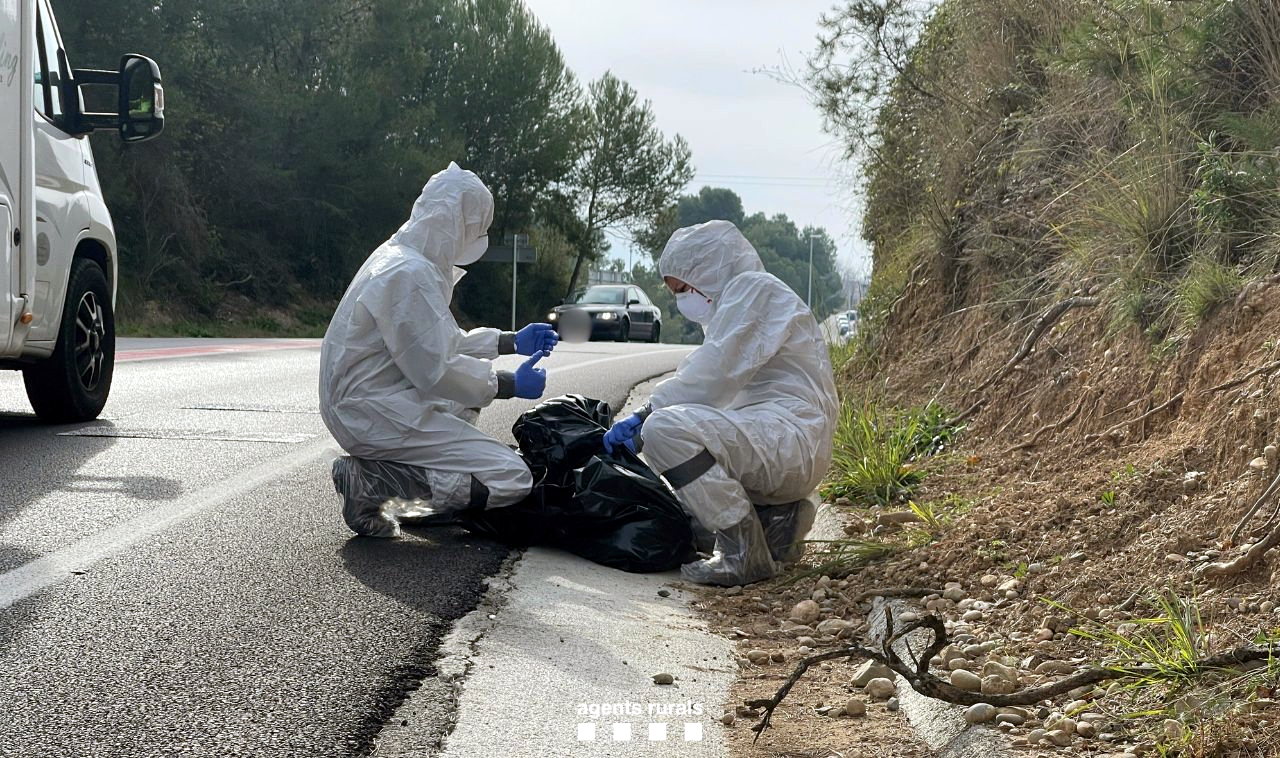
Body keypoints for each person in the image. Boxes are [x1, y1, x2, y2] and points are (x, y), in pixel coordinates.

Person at [320, 162, 558, 538]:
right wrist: (508, 384)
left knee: (464, 403)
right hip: (374, 410)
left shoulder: (402, 258)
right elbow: (439, 368)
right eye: (476, 228)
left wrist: (510, 341)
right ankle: (374, 484)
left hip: (370, 401)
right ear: (456, 223)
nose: (477, 237)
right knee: (512, 477)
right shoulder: (407, 274)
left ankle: (404, 483)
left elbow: (436, 342)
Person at [602, 220, 838, 586]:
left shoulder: (753, 290)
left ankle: (743, 553)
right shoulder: (743, 302)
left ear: (709, 270)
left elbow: (712, 374)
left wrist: (647, 412)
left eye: (683, 289)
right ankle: (778, 522)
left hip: (789, 441)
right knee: (691, 506)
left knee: (664, 431)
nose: (682, 300)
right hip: (785, 442)